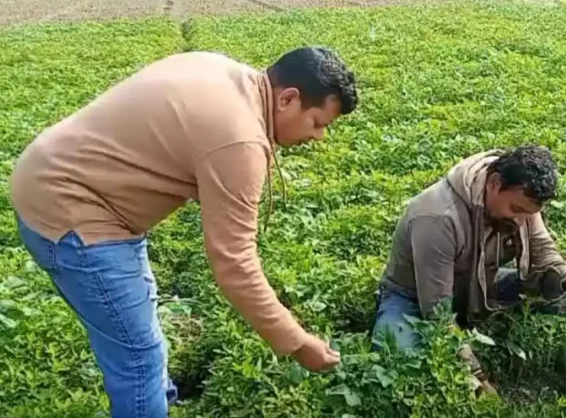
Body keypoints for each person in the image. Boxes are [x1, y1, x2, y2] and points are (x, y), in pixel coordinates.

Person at [9, 47, 358, 417]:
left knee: (139, 334)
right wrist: (297, 342)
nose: (319, 137)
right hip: (73, 214)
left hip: (60, 180)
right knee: (138, 359)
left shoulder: (223, 70)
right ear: (288, 98)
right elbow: (235, 265)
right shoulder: (238, 140)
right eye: (318, 123)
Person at [371, 145, 566, 393]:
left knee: (564, 291)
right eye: (516, 210)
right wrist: (476, 374)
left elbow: (543, 249)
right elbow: (437, 311)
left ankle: (474, 314)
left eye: (529, 214)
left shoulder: (520, 200)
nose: (521, 221)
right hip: (414, 295)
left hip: (478, 283)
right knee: (397, 357)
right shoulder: (437, 218)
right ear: (493, 183)